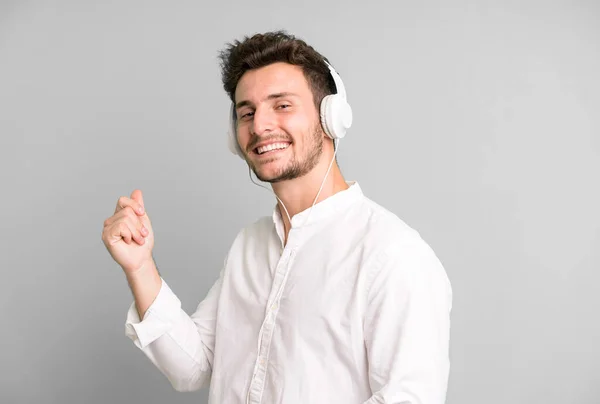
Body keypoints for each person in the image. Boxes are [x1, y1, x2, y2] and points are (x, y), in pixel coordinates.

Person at [101, 30, 453, 404]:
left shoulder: (392, 254)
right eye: (247, 112)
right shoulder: (248, 246)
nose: (259, 126)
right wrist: (140, 268)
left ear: (331, 117)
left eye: (282, 105)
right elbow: (193, 368)